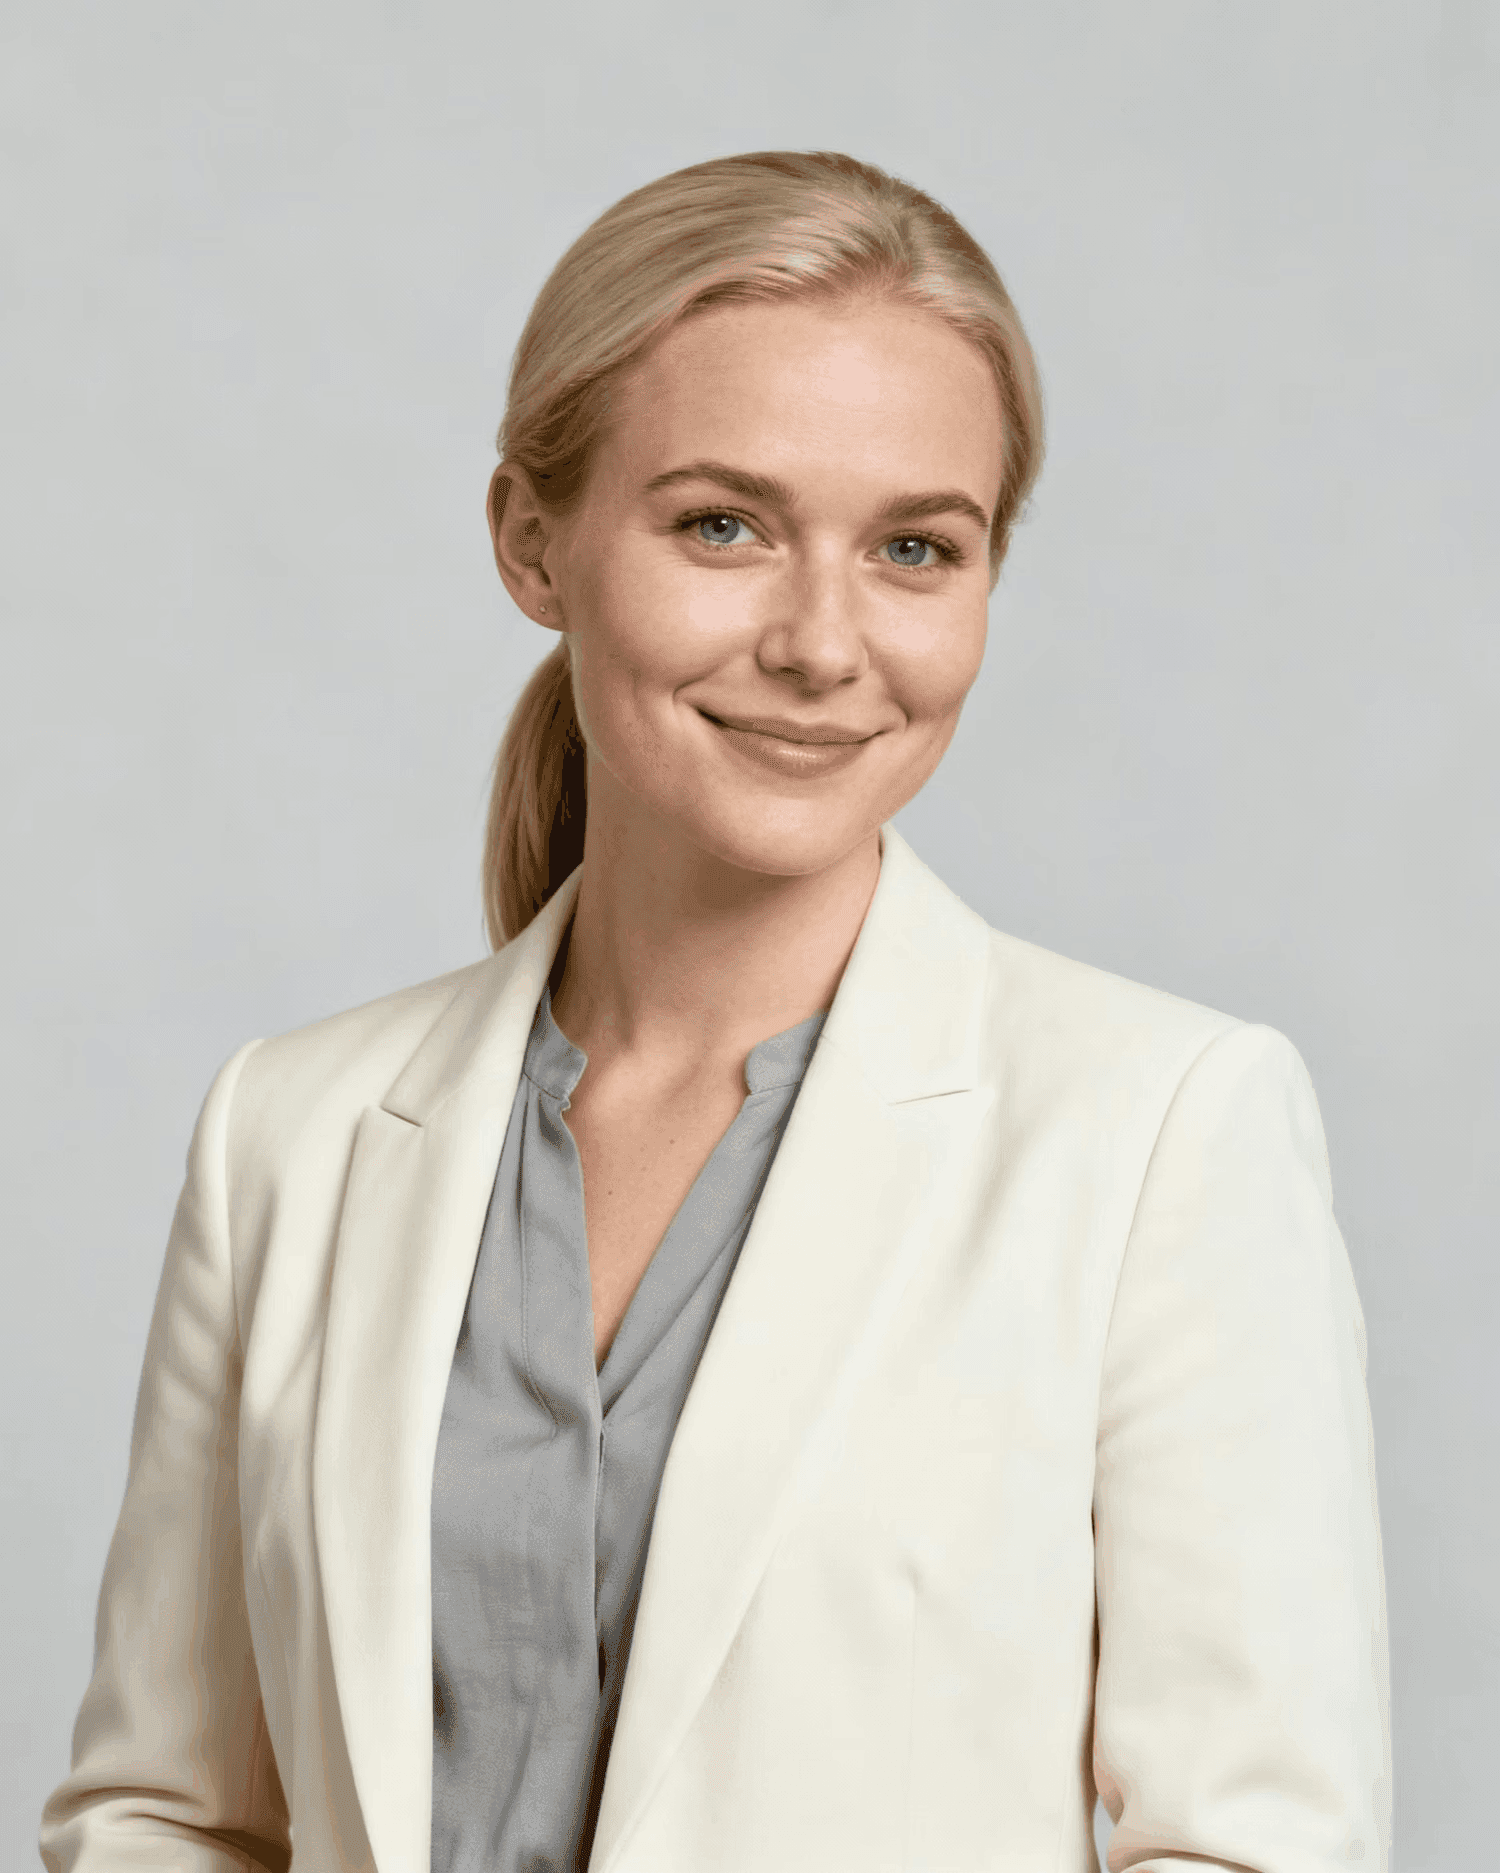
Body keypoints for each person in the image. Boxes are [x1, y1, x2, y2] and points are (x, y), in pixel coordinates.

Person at [40, 150, 1390, 1873]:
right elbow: (169, 1812)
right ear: (535, 543)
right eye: (722, 527)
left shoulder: (1164, 1134)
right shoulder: (288, 1136)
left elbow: (1257, 1844)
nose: (826, 643)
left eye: (916, 547)